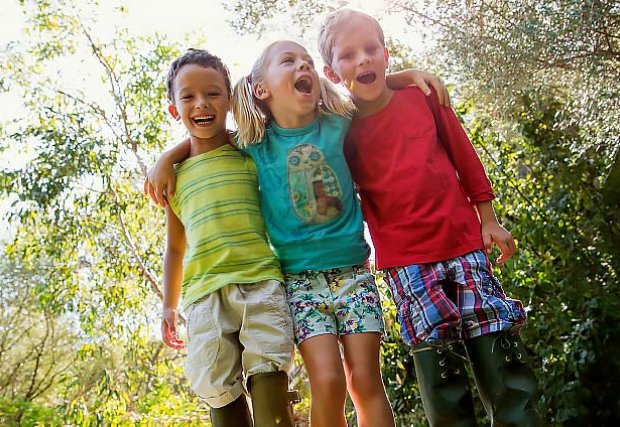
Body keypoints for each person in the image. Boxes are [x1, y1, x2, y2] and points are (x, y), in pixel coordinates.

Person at [146, 40, 449, 427]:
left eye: (307, 61)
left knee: (365, 379)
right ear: (260, 89)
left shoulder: (319, 129)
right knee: (326, 379)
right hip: (298, 282)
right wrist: (165, 159)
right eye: (289, 61)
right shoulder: (254, 146)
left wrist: (404, 77)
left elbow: (369, 92)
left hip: (348, 274)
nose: (302, 65)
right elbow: (201, 154)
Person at [318, 8, 542, 427]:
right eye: (348, 55)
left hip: (464, 246)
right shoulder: (340, 133)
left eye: (370, 49)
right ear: (332, 72)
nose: (363, 59)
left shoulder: (422, 98)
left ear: (386, 54)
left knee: (504, 365)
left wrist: (488, 219)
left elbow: (464, 156)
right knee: (442, 378)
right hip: (407, 265)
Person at [158, 48, 296, 427]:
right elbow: (174, 246)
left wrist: (168, 154)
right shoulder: (174, 176)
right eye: (188, 96)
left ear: (230, 99)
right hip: (204, 293)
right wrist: (169, 306)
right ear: (174, 109)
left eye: (213, 93)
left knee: (269, 369)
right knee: (216, 384)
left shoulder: (251, 153)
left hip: (260, 282)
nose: (201, 103)